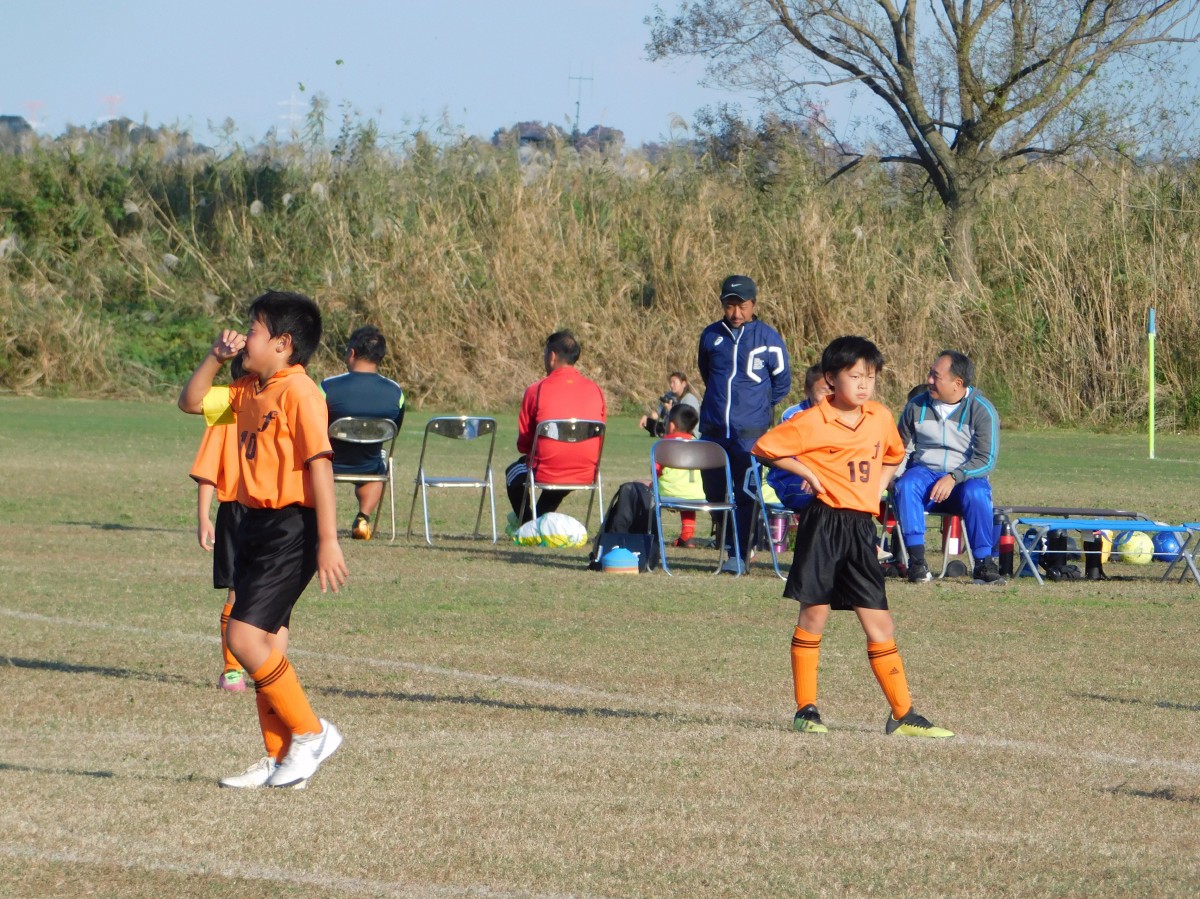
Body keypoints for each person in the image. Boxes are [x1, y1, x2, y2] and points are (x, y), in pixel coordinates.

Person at [178, 290, 349, 789]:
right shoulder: (247, 390)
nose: (244, 337)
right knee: (266, 644)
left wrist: (328, 539)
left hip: (292, 527)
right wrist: (215, 358)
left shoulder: (300, 393)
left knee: (243, 637)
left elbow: (320, 467)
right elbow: (191, 402)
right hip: (253, 525)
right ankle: (282, 759)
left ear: (282, 342)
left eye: (253, 329)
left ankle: (311, 733)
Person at [752, 335, 954, 739]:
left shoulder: (879, 416)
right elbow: (764, 447)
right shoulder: (813, 420)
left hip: (861, 528)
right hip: (823, 524)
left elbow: (894, 454)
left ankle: (903, 715)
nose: (864, 384)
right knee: (814, 614)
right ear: (831, 379)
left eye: (871, 377)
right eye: (855, 376)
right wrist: (809, 473)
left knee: (879, 620)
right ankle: (806, 710)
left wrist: (877, 486)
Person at [697, 275, 791, 573]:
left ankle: (740, 551)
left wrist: (756, 407)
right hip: (713, 430)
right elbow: (707, 374)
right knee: (714, 492)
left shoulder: (768, 338)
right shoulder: (711, 335)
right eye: (730, 306)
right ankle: (727, 540)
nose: (736, 313)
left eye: (743, 306)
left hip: (749, 434)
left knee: (745, 492)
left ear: (754, 305)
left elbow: (782, 382)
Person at [893, 350, 1002, 584]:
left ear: (957, 383)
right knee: (907, 484)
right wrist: (891, 478)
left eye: (936, 376)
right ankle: (917, 562)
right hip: (924, 474)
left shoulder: (982, 409)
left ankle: (983, 564)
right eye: (930, 374)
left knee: (977, 492)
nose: (929, 380)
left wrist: (953, 477)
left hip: (964, 481)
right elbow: (899, 450)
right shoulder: (915, 406)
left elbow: (986, 459)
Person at [190, 352, 249, 693]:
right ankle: (232, 670)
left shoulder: (280, 403)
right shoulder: (225, 407)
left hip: (275, 511)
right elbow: (208, 469)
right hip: (236, 512)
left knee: (265, 591)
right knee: (237, 591)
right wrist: (203, 517)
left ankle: (264, 663)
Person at [505, 330, 607, 525]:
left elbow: (524, 444)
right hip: (586, 470)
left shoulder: (536, 390)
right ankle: (536, 522)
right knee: (562, 475)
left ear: (551, 356)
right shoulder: (596, 390)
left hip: (548, 469)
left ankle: (527, 524)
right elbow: (599, 435)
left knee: (513, 474)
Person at [322, 325, 406, 541]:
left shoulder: (327, 387)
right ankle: (363, 517)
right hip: (369, 465)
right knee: (380, 460)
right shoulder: (395, 392)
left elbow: (312, 424)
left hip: (327, 464)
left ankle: (318, 519)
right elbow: (393, 430)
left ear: (351, 353)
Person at [765, 363, 833, 513]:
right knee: (822, 497)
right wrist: (814, 473)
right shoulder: (793, 416)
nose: (829, 398)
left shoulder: (841, 415)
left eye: (833, 391)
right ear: (807, 390)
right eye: (824, 392)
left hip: (826, 476)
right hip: (792, 478)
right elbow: (787, 458)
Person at [654, 404, 705, 547]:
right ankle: (687, 535)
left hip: (669, 493)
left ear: (671, 425)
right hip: (698, 495)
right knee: (687, 495)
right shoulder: (699, 444)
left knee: (646, 489)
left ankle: (650, 532)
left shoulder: (664, 445)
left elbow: (655, 471)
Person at [639, 371, 701, 437]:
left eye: (674, 383)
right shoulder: (669, 395)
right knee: (648, 422)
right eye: (670, 382)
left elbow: (683, 421)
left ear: (683, 384)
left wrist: (670, 411)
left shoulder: (689, 399)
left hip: (687, 431)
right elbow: (656, 414)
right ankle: (661, 432)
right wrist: (647, 418)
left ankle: (662, 433)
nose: (671, 385)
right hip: (670, 426)